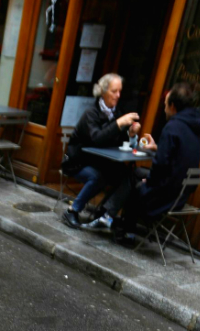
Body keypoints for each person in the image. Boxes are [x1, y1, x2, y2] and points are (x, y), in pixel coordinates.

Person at [107, 82, 200, 244]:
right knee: (136, 173)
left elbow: (160, 165)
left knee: (135, 187)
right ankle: (109, 214)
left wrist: (150, 182)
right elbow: (179, 155)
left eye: (165, 104)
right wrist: (158, 147)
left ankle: (123, 230)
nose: (164, 107)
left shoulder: (172, 127)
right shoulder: (193, 126)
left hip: (164, 196)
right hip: (179, 193)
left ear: (173, 106)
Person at [59, 73, 141, 229]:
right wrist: (119, 123)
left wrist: (131, 135)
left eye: (120, 91)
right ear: (103, 92)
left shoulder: (117, 113)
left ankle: (104, 213)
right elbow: (97, 138)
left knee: (126, 174)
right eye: (114, 91)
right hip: (77, 162)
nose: (118, 95)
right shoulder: (91, 113)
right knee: (99, 178)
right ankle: (72, 211)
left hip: (100, 162)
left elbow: (122, 142)